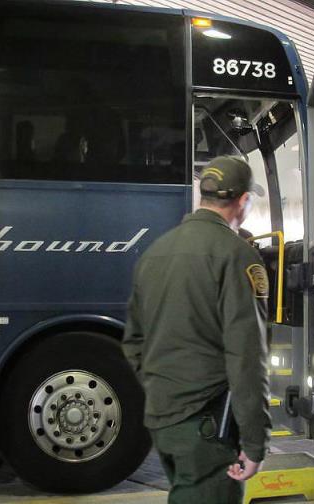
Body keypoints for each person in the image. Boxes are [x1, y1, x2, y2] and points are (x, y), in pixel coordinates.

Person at [122, 155, 271, 503]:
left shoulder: (155, 253)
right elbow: (246, 355)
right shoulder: (236, 255)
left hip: (163, 419)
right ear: (243, 201)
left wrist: (166, 387)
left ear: (202, 196)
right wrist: (254, 442)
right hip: (208, 426)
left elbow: (133, 342)